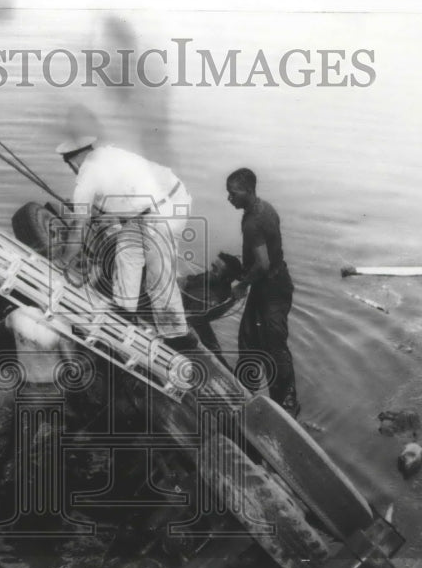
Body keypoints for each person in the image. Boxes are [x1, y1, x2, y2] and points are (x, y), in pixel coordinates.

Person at [55, 137, 194, 349]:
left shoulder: (87, 174)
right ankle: (124, 314)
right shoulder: (107, 154)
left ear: (71, 162)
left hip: (166, 209)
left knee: (158, 275)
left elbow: (78, 227)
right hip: (150, 208)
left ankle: (177, 337)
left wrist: (63, 262)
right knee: (126, 255)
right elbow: (123, 197)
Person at [225, 168, 300, 415]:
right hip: (271, 283)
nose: (229, 198)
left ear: (248, 190)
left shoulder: (252, 222)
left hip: (272, 290)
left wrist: (241, 285)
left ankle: (287, 404)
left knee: (275, 345)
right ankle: (247, 390)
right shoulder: (266, 208)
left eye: (233, 193)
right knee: (249, 339)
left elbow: (263, 264)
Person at [179, 252, 243, 366]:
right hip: (185, 312)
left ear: (227, 278)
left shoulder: (217, 294)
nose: (210, 270)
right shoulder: (208, 279)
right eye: (212, 266)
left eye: (215, 269)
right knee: (213, 348)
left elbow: (195, 317)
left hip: (183, 316)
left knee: (211, 348)